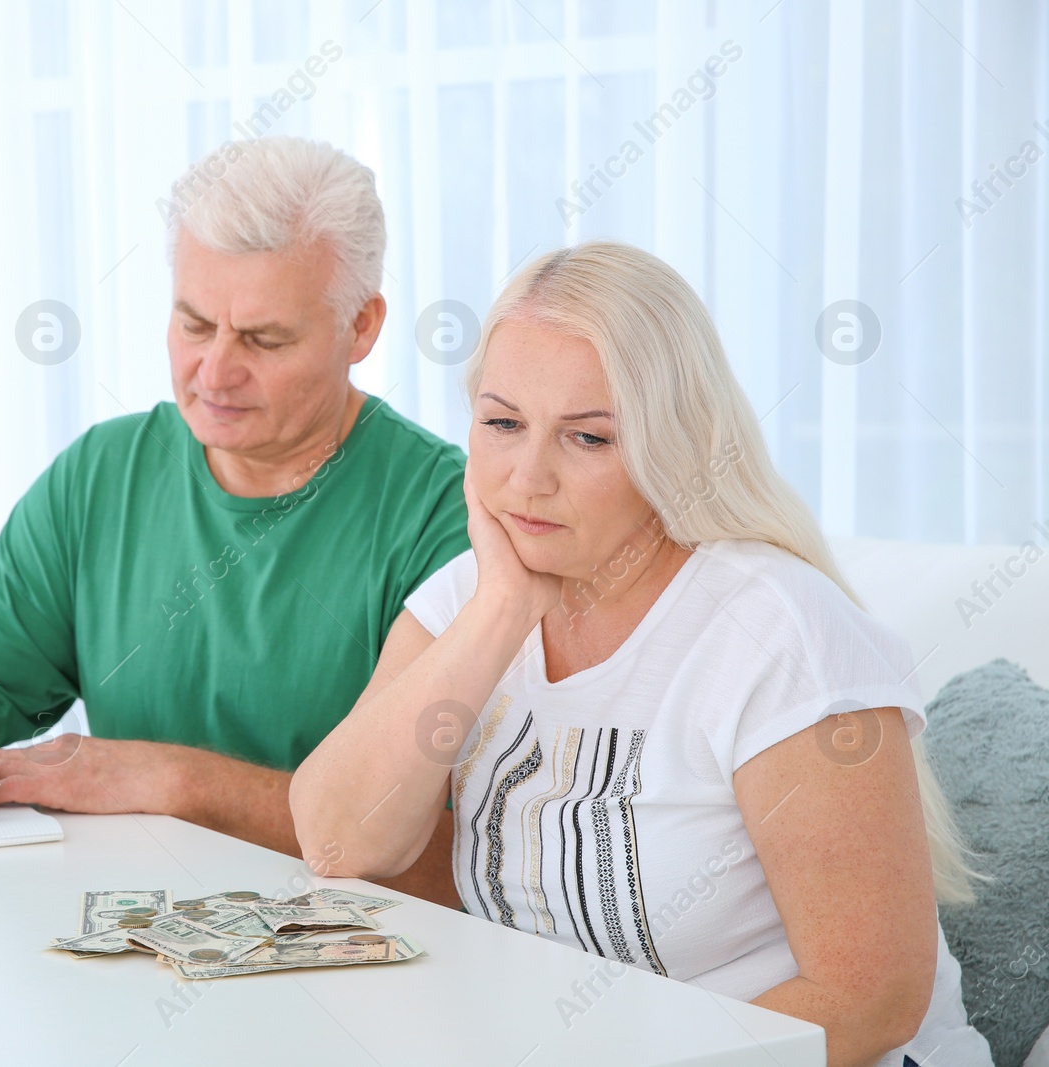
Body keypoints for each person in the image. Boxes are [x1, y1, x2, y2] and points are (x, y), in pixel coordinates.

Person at [289, 241, 991, 1065]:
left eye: (588, 438)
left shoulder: (776, 634)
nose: (528, 477)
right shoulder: (466, 598)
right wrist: (502, 610)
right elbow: (337, 843)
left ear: (671, 447)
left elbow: (871, 998)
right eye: (503, 423)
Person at [0, 136, 469, 907]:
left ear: (362, 328)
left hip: (369, 980)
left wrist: (172, 781)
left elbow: (469, 861)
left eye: (264, 338)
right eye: (193, 324)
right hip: (128, 960)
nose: (215, 372)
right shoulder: (102, 478)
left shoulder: (448, 520)